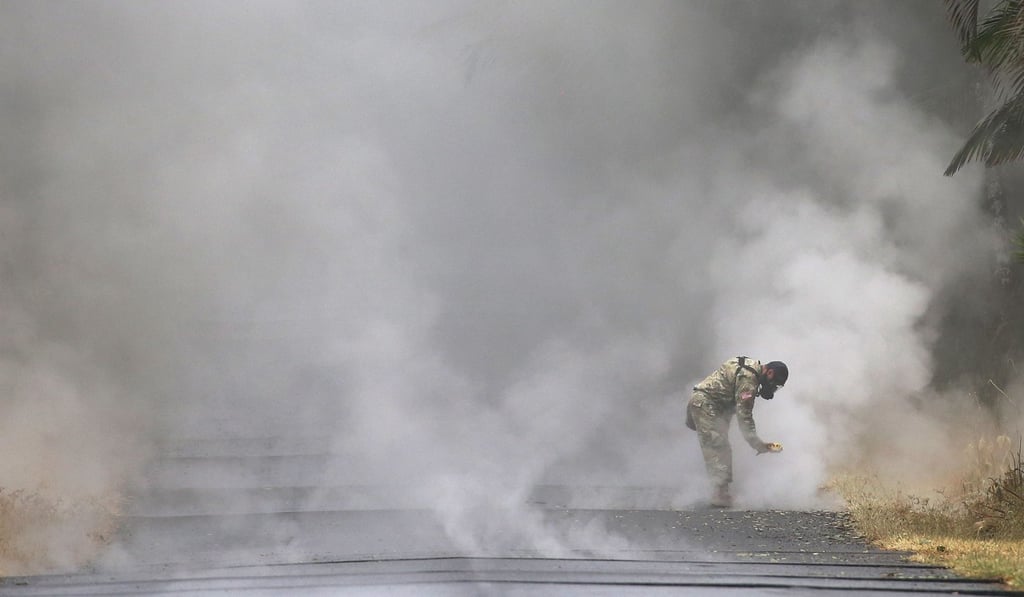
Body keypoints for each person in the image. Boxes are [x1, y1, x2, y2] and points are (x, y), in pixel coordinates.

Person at [685, 356, 788, 508]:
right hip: (706, 404)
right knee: (719, 445)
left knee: (718, 444)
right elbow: (744, 417)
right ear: (770, 373)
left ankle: (718, 487)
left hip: (706, 403)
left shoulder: (748, 365)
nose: (772, 388)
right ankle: (720, 494)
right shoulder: (748, 381)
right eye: (774, 384)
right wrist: (758, 445)